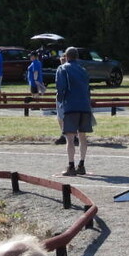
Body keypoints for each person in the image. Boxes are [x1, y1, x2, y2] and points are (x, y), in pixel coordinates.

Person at [55, 47, 92, 176]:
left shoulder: (62, 68)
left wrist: (60, 102)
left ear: (66, 56)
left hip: (70, 106)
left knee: (70, 138)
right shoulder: (83, 70)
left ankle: (71, 166)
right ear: (77, 57)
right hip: (85, 105)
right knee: (82, 136)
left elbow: (61, 87)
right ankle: (81, 165)